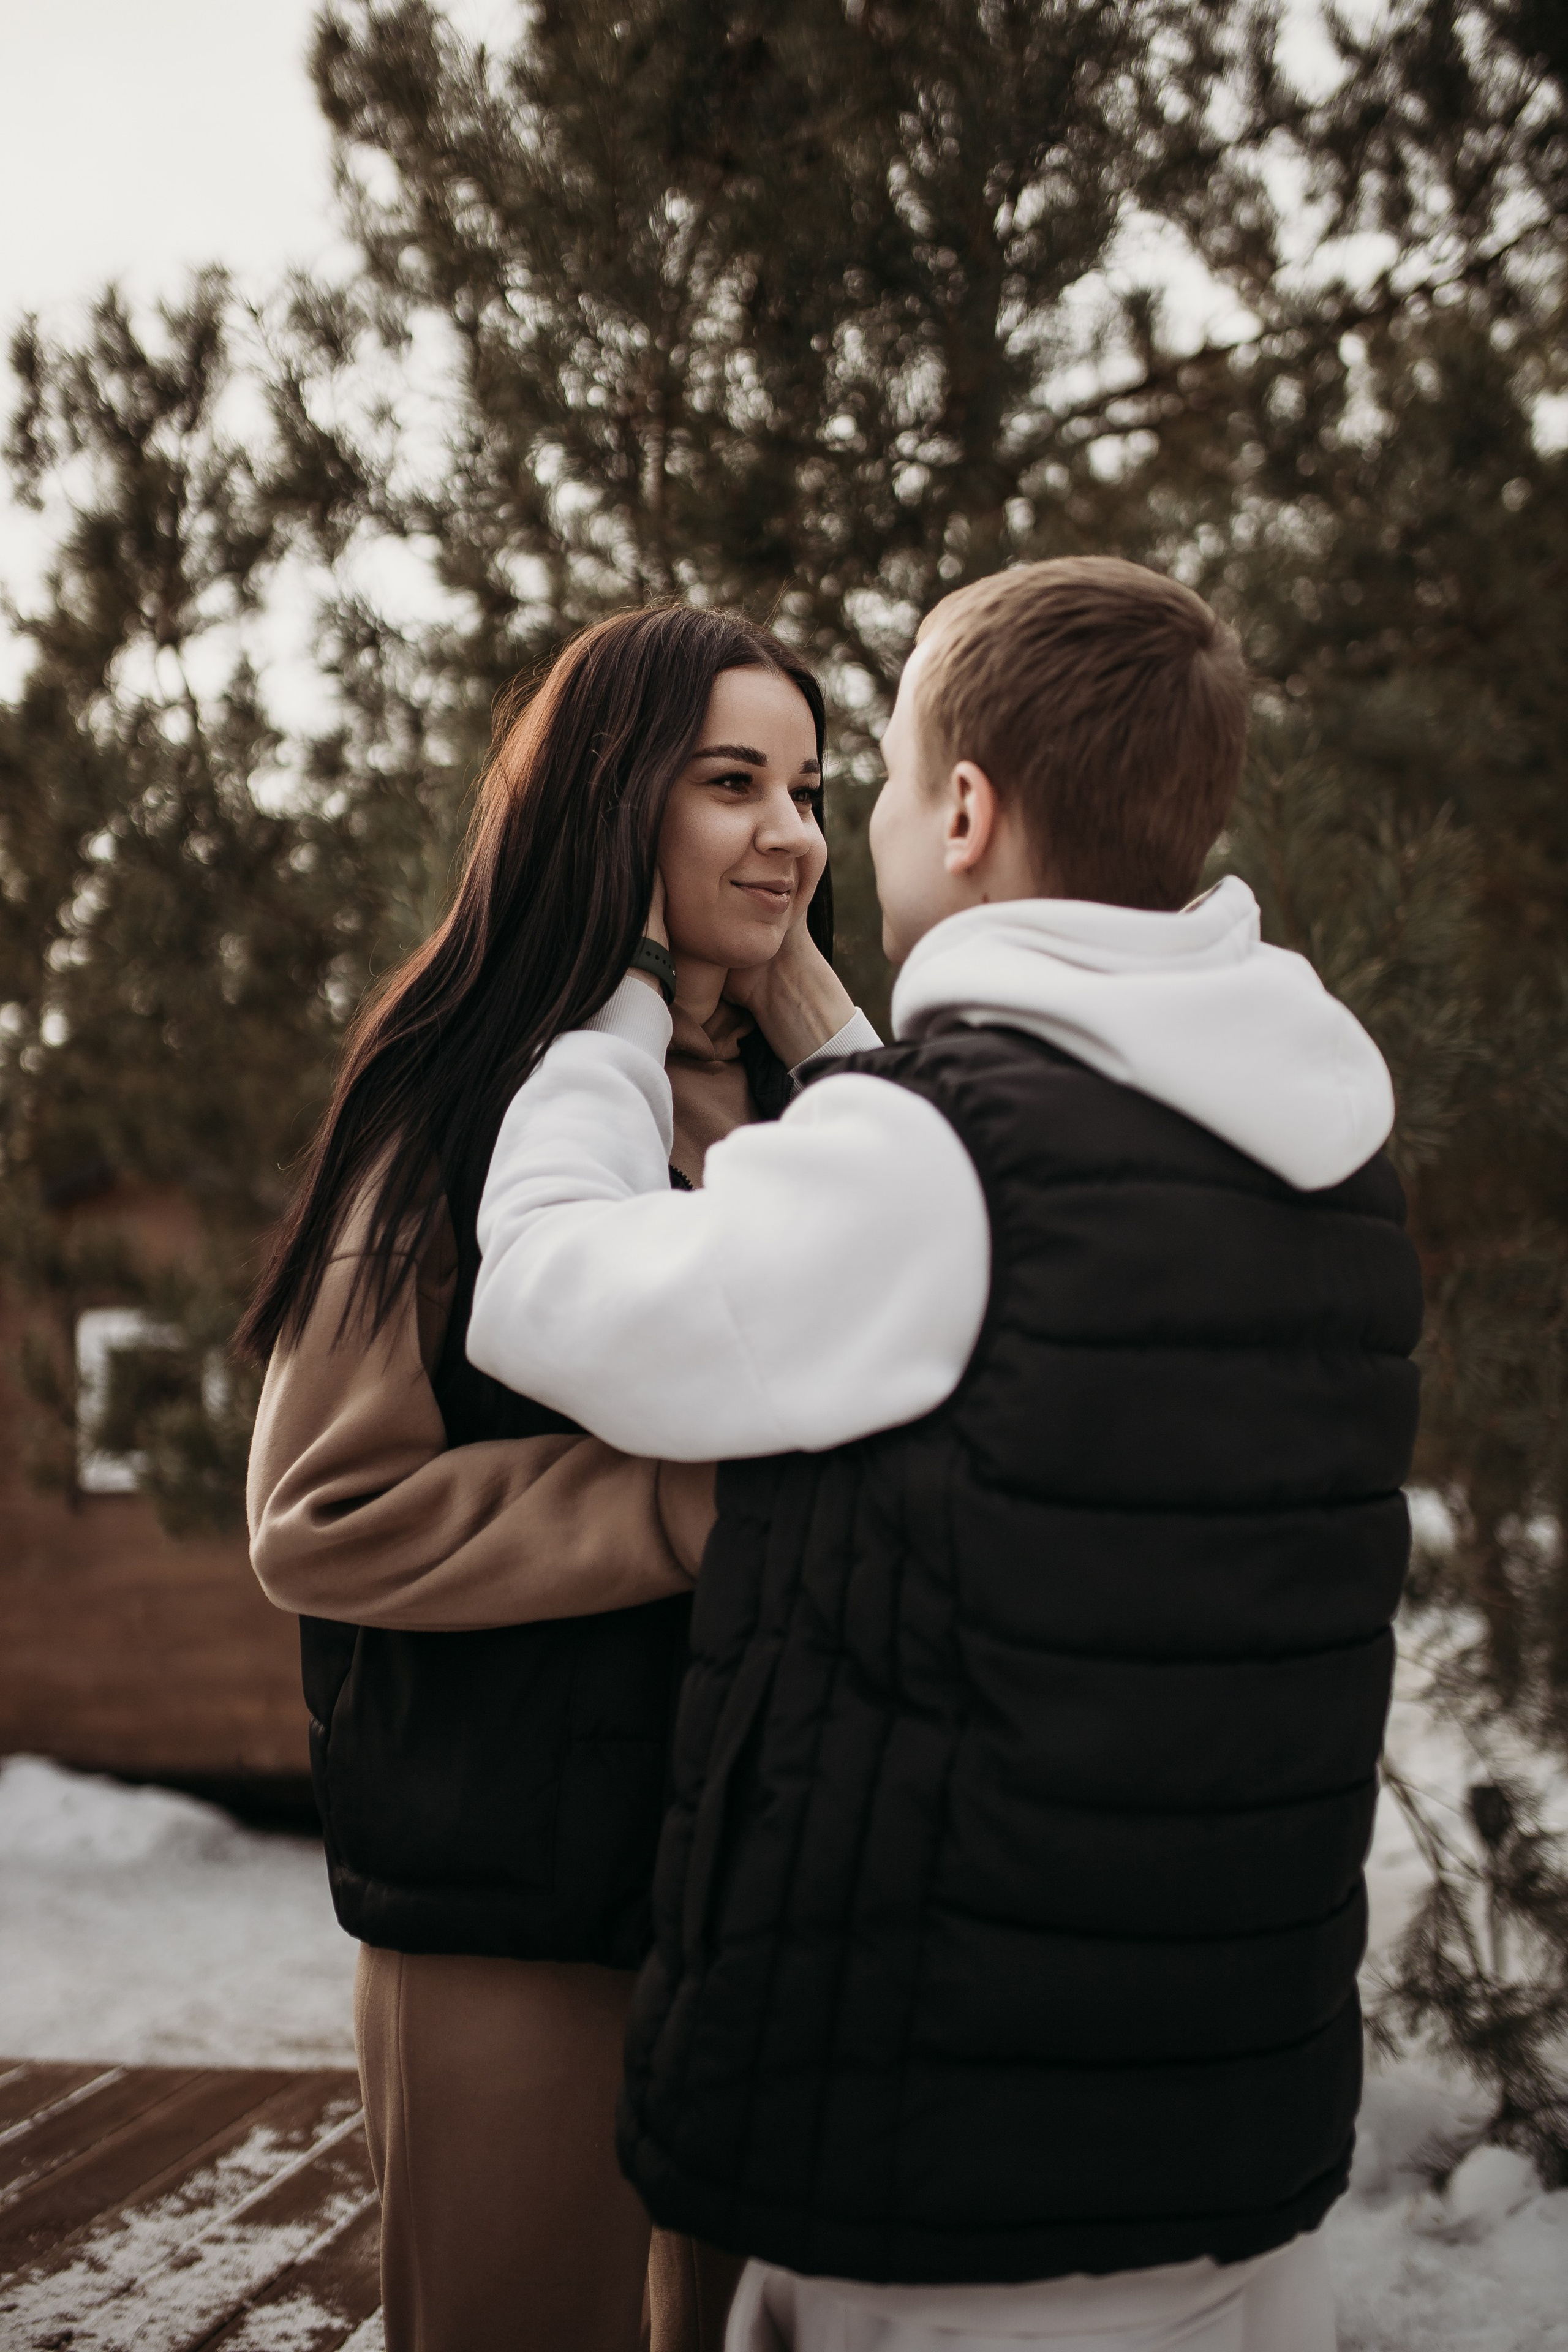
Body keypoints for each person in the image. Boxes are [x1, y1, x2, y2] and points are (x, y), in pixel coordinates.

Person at [465, 557, 1423, 2351]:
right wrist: (844, 1045)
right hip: (1228, 2133)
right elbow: (995, 1291)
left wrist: (601, 1031)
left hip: (961, 2173)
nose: (834, 834)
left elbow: (547, 1292)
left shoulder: (941, 1164)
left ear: (966, 811)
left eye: (873, 780)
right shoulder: (1317, 1141)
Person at [237, 604, 879, 2352]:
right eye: (731, 782)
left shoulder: (816, 1113)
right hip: (507, 1902)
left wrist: (812, 1001)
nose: (792, 832)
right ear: (612, 800)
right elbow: (321, 1513)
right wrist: (682, 1510)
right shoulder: (448, 1107)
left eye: (810, 790)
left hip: (765, 1893)